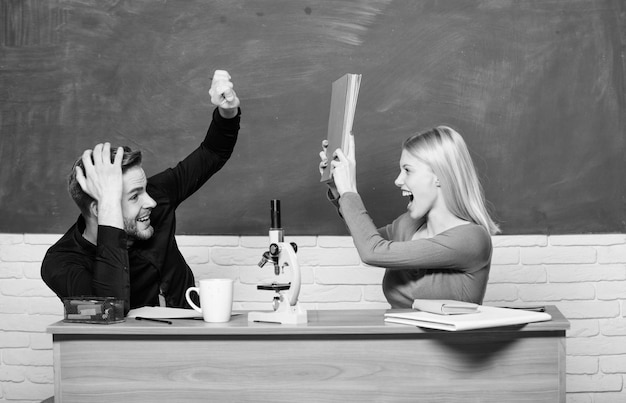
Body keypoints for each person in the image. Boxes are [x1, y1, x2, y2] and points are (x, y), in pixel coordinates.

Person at [41, 70, 241, 315]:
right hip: (128, 352)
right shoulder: (60, 263)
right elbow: (107, 313)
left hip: (192, 341)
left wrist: (227, 112)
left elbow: (212, 153)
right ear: (99, 208)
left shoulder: (155, 195)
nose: (152, 202)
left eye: (144, 190)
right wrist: (110, 211)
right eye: (134, 196)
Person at [320, 126, 500, 309]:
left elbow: (372, 251)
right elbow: (365, 235)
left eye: (408, 170)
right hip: (396, 334)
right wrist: (338, 189)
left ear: (439, 176)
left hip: (448, 337)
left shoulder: (472, 239)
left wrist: (349, 191)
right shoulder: (407, 225)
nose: (398, 180)